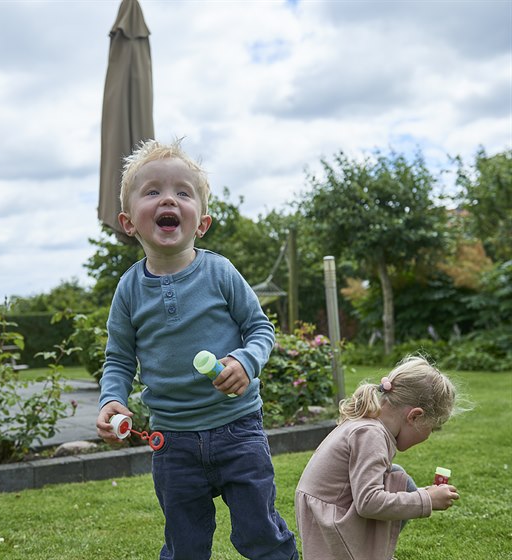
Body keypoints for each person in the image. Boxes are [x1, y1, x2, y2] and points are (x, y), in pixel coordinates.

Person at [96, 139, 299, 560]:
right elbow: (118, 358)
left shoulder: (220, 272)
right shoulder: (129, 290)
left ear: (201, 223)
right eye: (152, 191)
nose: (168, 197)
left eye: (182, 192)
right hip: (172, 443)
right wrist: (113, 398)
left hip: (238, 429)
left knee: (260, 534)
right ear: (128, 221)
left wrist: (245, 360)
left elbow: (260, 328)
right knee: (184, 546)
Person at [295, 356, 461, 560]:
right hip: (332, 525)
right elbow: (369, 502)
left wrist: (420, 493)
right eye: (432, 428)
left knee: (399, 478)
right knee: (401, 482)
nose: (429, 436)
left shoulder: (370, 424)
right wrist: (426, 500)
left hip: (332, 513)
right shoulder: (371, 434)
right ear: (415, 416)